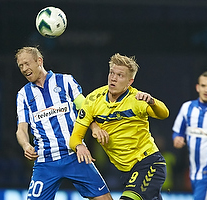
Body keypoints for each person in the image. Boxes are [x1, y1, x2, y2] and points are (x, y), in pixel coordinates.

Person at [15, 46, 113, 200]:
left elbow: (84, 108)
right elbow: (21, 129)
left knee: (105, 199)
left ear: (39, 61)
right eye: (21, 66)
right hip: (45, 161)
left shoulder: (66, 81)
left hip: (75, 155)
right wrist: (26, 145)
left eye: (27, 63)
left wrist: (94, 128)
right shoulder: (23, 95)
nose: (24, 69)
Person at [69, 53, 169, 200]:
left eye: (120, 75)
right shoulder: (93, 100)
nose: (113, 78)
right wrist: (79, 146)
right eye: (112, 73)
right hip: (125, 172)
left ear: (130, 81)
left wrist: (152, 101)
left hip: (149, 164)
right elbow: (75, 137)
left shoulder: (137, 99)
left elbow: (164, 114)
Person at [172, 65, 207, 200]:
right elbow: (177, 131)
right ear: (197, 87)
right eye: (203, 86)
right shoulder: (187, 108)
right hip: (194, 173)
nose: (206, 90)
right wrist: (177, 139)